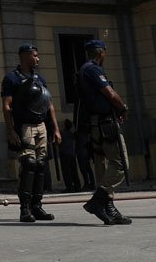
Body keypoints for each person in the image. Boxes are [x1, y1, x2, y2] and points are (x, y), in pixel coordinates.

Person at [2, 43, 61, 222]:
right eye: (35, 55)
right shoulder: (12, 79)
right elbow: (7, 106)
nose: (38, 59)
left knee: (41, 164)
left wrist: (55, 129)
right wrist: (11, 130)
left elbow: (49, 103)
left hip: (41, 124)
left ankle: (37, 206)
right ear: (25, 56)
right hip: (24, 125)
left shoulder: (40, 79)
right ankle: (25, 209)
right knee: (28, 164)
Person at [76, 38, 131, 225]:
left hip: (96, 124)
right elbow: (110, 94)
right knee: (121, 163)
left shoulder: (86, 70)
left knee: (103, 166)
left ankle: (109, 207)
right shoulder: (92, 69)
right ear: (101, 53)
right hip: (105, 124)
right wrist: (122, 107)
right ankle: (98, 200)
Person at [59, 119, 82, 191]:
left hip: (64, 154)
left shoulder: (61, 133)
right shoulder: (72, 134)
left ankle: (69, 186)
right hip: (71, 154)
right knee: (74, 171)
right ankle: (77, 186)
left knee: (66, 172)